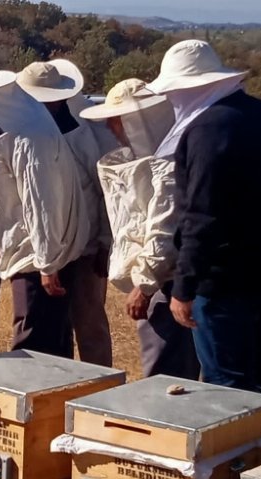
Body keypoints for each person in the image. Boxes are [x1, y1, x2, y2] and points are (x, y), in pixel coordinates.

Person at [147, 40, 261, 398]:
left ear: (192, 86)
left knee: (227, 389)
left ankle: (247, 454)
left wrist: (184, 288)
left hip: (223, 283)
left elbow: (201, 217)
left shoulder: (206, 131)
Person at [0, 72, 90, 357]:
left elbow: (40, 203)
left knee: (31, 340)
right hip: (40, 254)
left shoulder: (28, 140)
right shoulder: (21, 134)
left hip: (39, 259)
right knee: (53, 339)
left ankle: (29, 400)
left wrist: (47, 264)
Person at [80, 78, 200, 380]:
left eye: (116, 121)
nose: (111, 129)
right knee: (177, 363)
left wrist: (144, 286)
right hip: (170, 278)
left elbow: (164, 229)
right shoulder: (164, 156)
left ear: (136, 121)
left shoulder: (168, 163)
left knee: (164, 370)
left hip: (167, 281)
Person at [17, 59, 115, 367]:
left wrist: (104, 242)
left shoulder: (86, 134)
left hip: (85, 248)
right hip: (46, 249)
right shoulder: (23, 133)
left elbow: (105, 191)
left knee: (89, 323)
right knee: (51, 327)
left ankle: (98, 393)